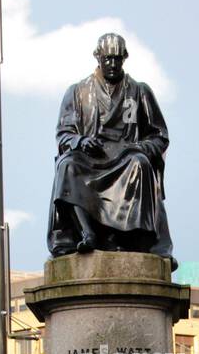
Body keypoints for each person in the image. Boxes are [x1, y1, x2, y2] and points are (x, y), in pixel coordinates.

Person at [46, 32, 173, 264]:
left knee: (140, 164)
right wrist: (81, 141)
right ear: (98, 58)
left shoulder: (139, 91)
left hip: (125, 159)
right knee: (67, 165)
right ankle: (87, 232)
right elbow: (64, 134)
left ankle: (129, 237)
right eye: (108, 59)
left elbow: (159, 135)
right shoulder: (77, 92)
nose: (112, 64)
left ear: (124, 58)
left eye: (117, 59)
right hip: (90, 159)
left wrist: (141, 147)